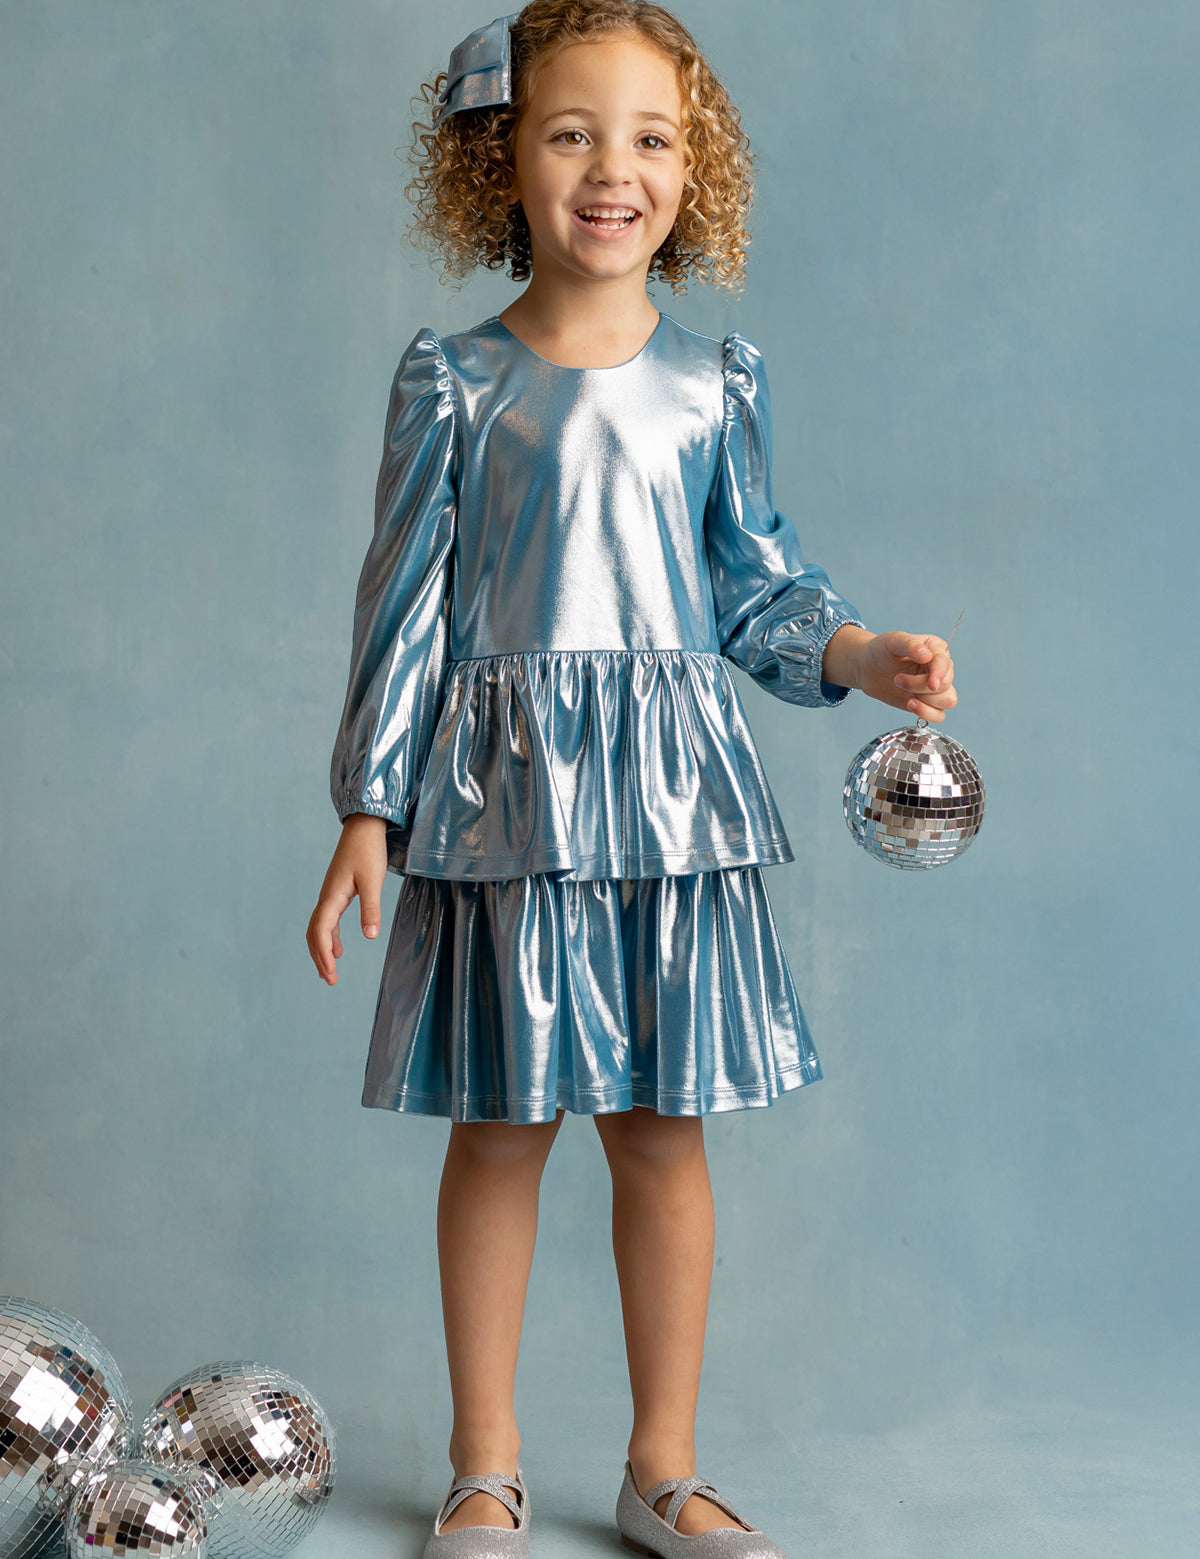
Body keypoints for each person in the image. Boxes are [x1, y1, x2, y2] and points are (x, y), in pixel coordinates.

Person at [306, 4, 958, 1555]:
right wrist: (365, 809)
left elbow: (753, 589)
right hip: (504, 809)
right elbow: (401, 608)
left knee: (665, 1134)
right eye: (571, 132)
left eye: (651, 138)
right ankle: (485, 1461)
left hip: (672, 811)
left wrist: (859, 653)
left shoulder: (715, 382)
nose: (614, 170)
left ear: (693, 168)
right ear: (505, 162)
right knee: (500, 1128)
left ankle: (661, 1463)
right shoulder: (454, 382)